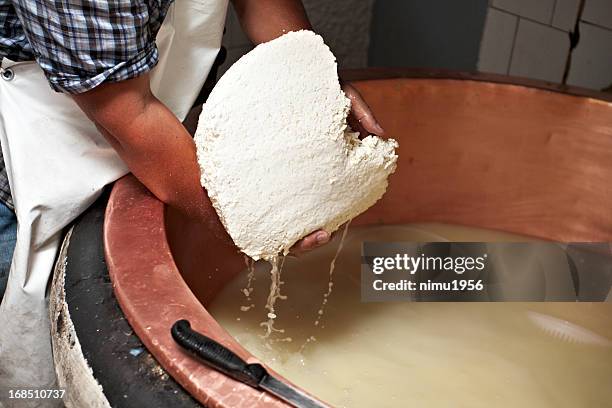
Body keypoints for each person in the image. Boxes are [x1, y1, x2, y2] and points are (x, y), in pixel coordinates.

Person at [0, 0, 385, 403]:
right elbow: (129, 114)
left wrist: (315, 85)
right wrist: (253, 226)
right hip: (45, 147)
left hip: (155, 106)